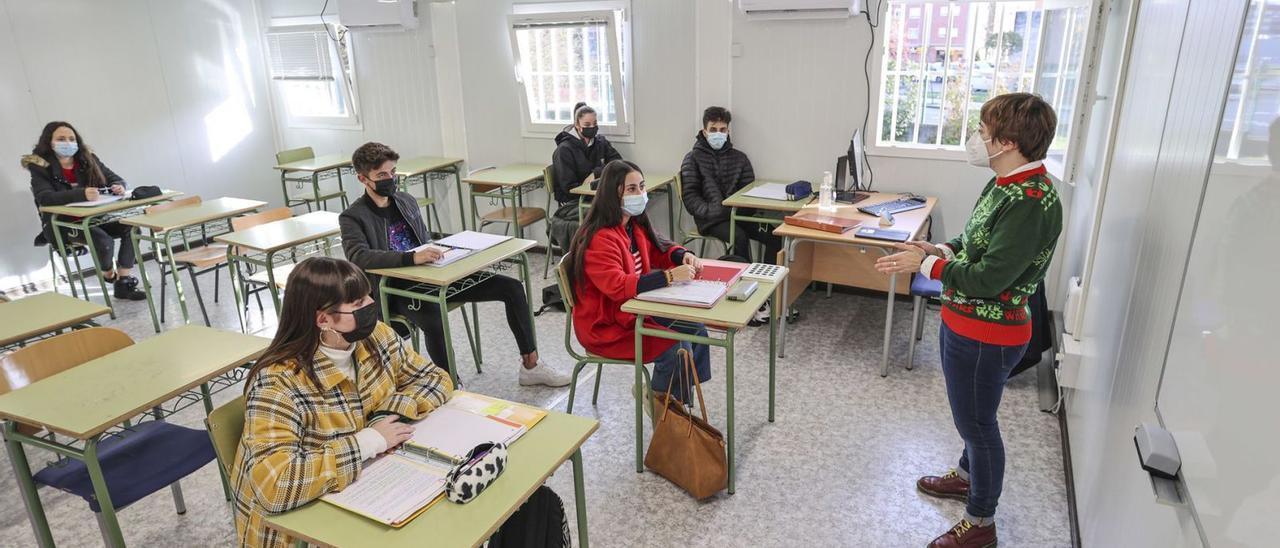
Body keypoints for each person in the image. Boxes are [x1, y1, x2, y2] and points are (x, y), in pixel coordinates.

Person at [230, 257, 570, 547]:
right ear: (323, 319)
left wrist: (391, 412)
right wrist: (368, 441)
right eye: (357, 304)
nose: (370, 307)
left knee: (521, 506)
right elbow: (273, 486)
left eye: (367, 297)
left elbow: (436, 379)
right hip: (302, 530)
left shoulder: (375, 338)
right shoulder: (278, 382)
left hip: (372, 488)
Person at [876, 92, 1063, 548]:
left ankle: (981, 523)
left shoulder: (1032, 200)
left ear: (1009, 141)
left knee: (979, 427)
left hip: (989, 334)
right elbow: (972, 240)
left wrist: (922, 267)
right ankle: (966, 477)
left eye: (983, 132)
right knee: (973, 419)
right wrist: (936, 249)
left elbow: (988, 278)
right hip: (963, 323)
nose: (977, 139)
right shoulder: (1003, 183)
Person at [339, 141, 571, 387]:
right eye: (382, 175)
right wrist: (410, 258)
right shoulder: (353, 217)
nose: (390, 179)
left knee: (511, 287)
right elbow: (359, 257)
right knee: (433, 316)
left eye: (393, 172)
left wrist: (444, 252)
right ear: (363, 179)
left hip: (435, 274)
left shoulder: (405, 200)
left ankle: (531, 365)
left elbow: (424, 240)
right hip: (396, 288)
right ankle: (450, 385)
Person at [563, 159, 710, 407]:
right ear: (613, 194)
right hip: (607, 326)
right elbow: (618, 286)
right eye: (631, 189)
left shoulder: (631, 226)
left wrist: (680, 254)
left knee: (696, 330)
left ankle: (675, 404)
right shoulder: (600, 238)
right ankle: (661, 407)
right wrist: (670, 276)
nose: (641, 194)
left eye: (642, 187)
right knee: (677, 347)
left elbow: (658, 248)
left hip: (632, 311)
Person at [22, 121, 145, 300]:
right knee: (104, 241)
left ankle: (124, 282)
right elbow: (45, 197)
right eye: (61, 139)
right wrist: (81, 194)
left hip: (94, 216)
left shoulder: (88, 158)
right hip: (64, 222)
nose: (68, 143)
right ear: (49, 142)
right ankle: (108, 273)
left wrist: (118, 186)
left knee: (132, 228)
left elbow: (116, 179)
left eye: (72, 139)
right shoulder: (39, 165)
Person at [680, 106, 781, 264]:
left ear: (728, 131)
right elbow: (690, 196)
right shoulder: (692, 158)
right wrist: (712, 211)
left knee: (775, 234)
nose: (718, 134)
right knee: (739, 237)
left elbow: (749, 191)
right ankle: (743, 282)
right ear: (704, 131)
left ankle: (768, 280)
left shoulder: (740, 158)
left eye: (722, 129)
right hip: (711, 220)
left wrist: (740, 211)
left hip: (739, 216)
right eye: (713, 129)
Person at [549, 102, 623, 255]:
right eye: (587, 124)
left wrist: (596, 173)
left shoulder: (600, 142)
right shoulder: (564, 150)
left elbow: (618, 163)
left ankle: (619, 254)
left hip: (596, 196)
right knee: (609, 214)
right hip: (573, 202)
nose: (592, 127)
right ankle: (597, 258)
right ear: (577, 125)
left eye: (595, 123)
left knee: (624, 208)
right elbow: (568, 189)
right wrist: (589, 183)